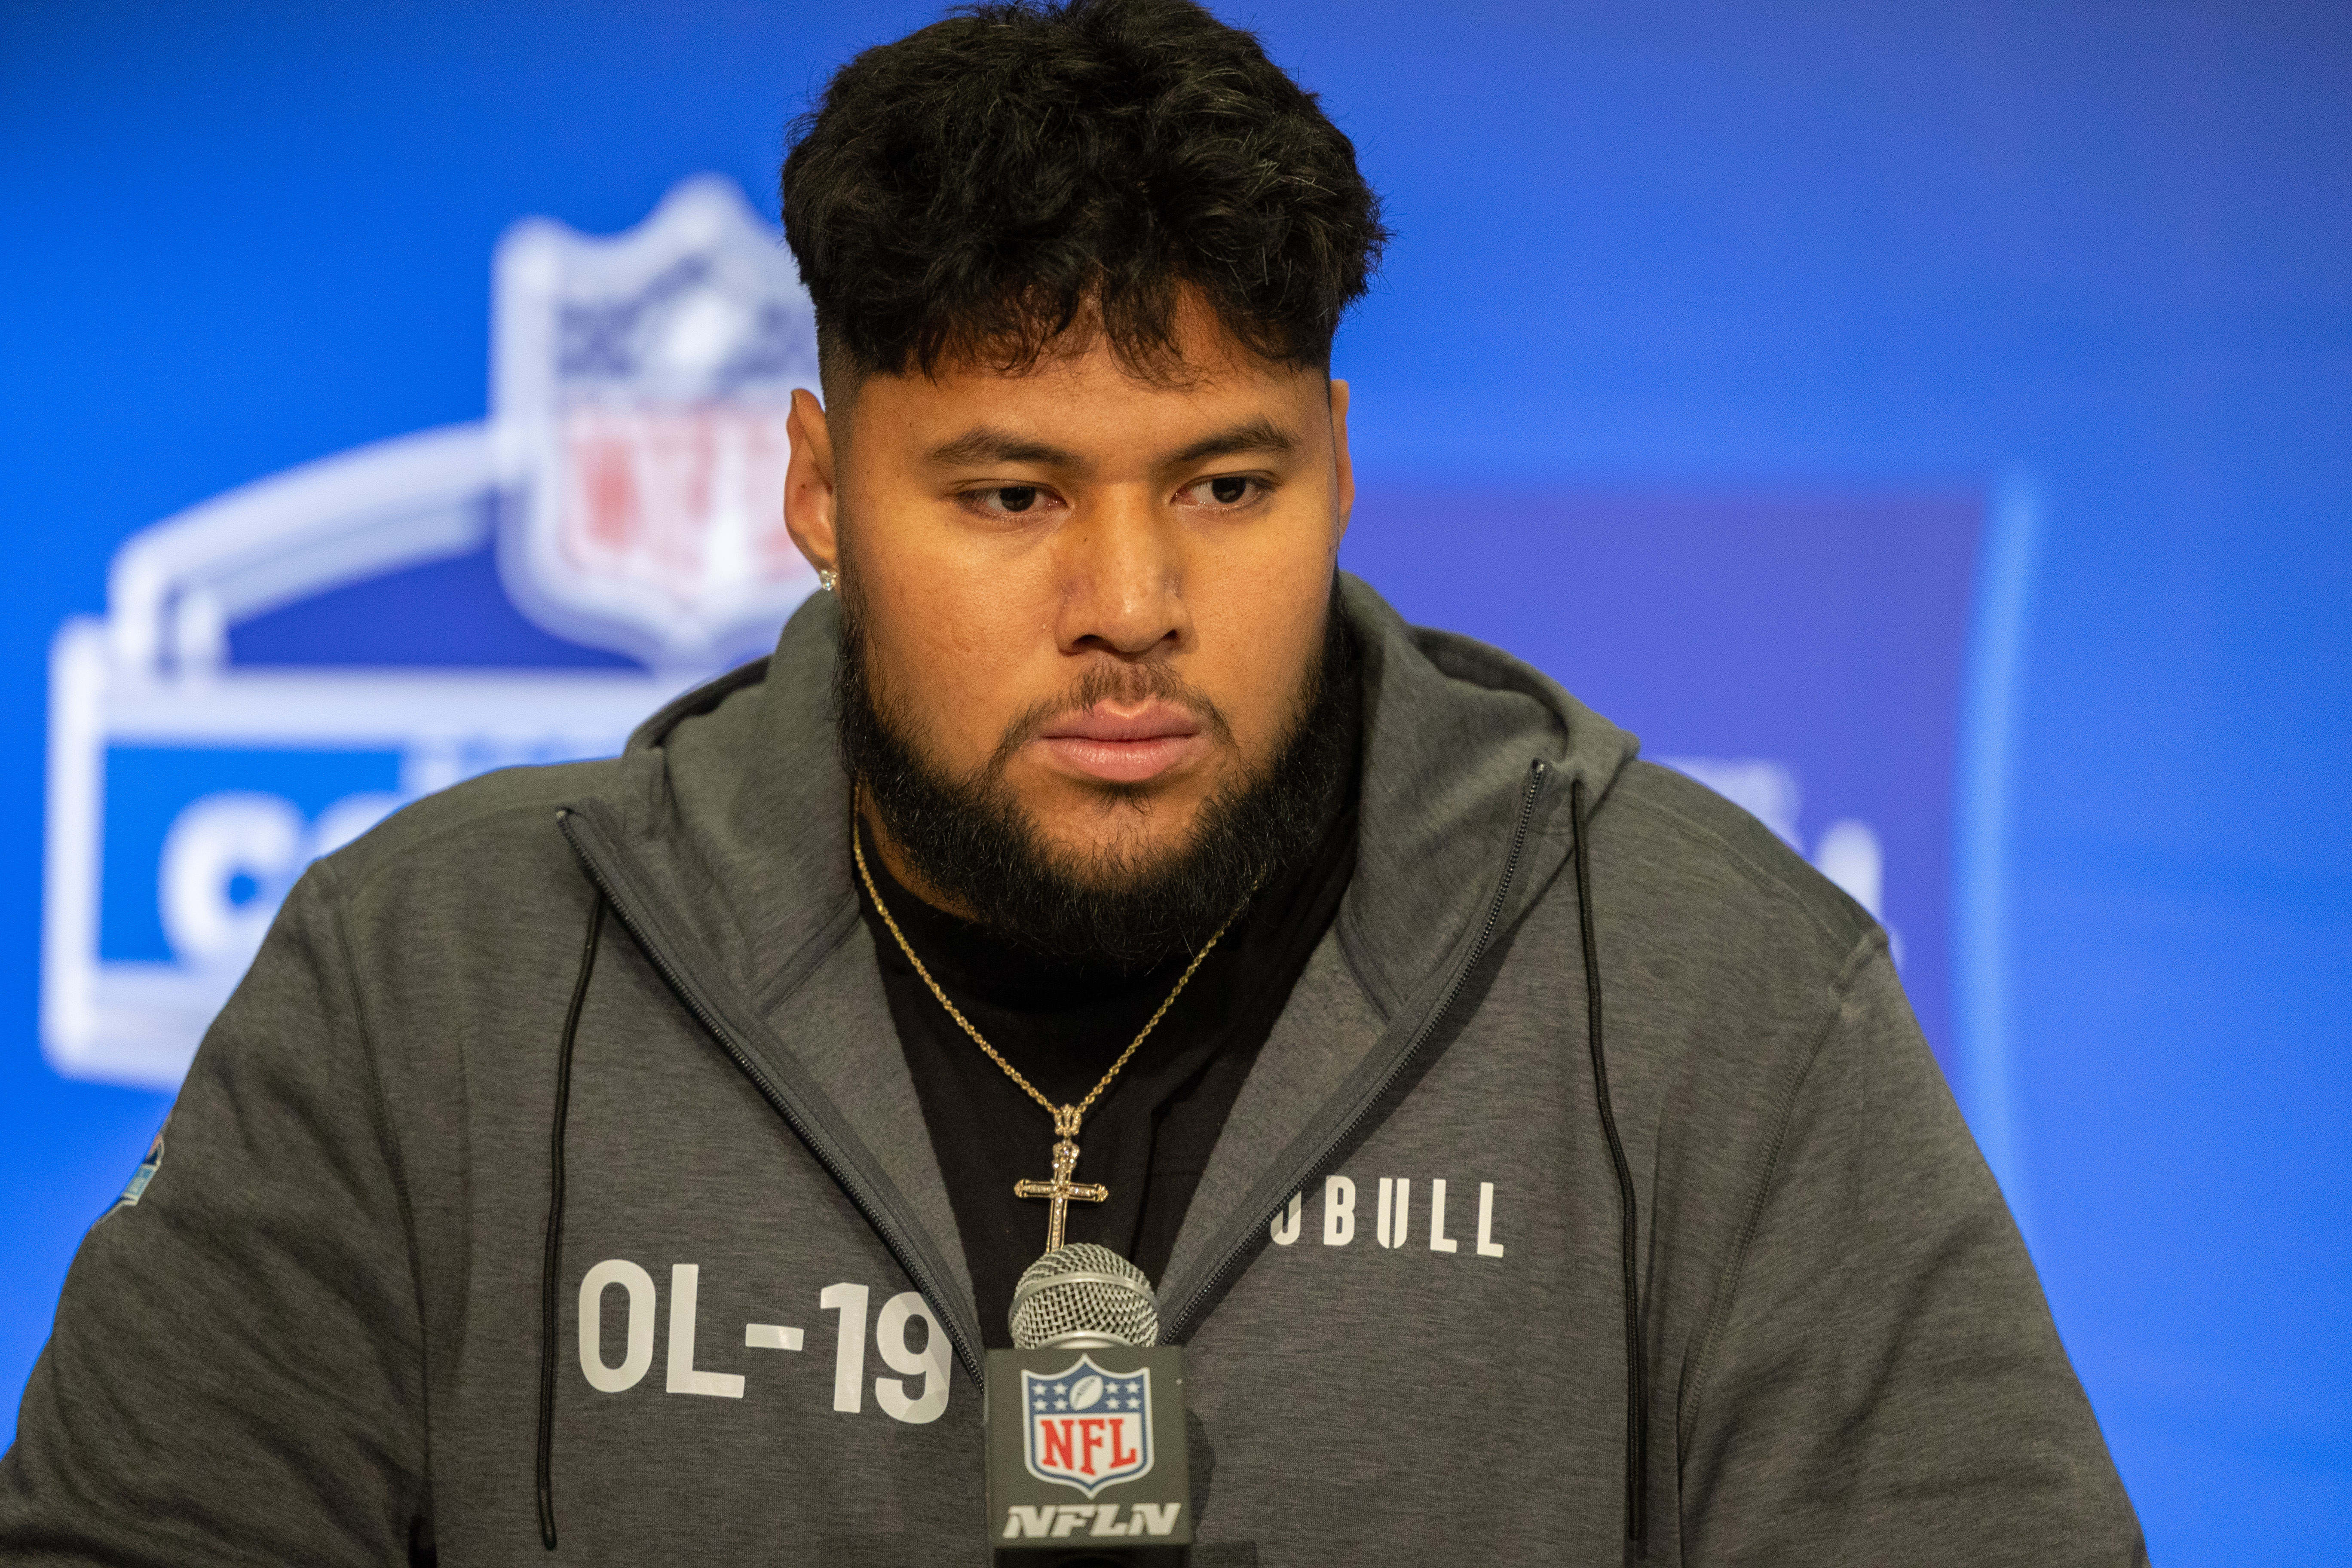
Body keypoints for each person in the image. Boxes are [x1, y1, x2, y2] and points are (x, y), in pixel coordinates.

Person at [0, 0, 2145, 1562]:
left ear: (1339, 468)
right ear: (822, 492)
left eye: (1226, 481)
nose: (1134, 602)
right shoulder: (428, 984)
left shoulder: (1715, 992)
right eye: (1012, 494)